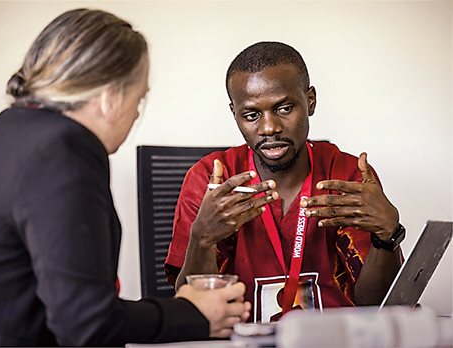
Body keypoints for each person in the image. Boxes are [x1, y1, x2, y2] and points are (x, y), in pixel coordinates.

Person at [0, 9, 251, 346]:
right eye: (139, 98)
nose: (137, 112)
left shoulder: (7, 134)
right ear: (110, 98)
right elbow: (87, 324)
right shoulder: (61, 154)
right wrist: (191, 313)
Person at [164, 41, 404, 323]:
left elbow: (375, 305)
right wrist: (202, 238)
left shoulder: (348, 174)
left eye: (285, 108)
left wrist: (386, 236)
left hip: (335, 340)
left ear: (310, 101)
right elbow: (193, 312)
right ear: (234, 114)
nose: (269, 128)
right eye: (251, 115)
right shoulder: (210, 179)